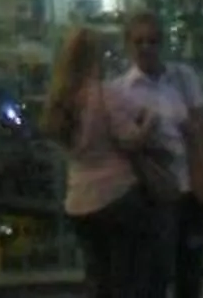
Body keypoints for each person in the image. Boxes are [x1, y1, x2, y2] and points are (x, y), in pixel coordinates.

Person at [118, 8, 203, 298]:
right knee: (156, 271)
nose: (146, 48)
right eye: (139, 42)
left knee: (190, 267)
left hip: (192, 186)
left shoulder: (182, 78)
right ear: (129, 45)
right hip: (155, 193)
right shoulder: (122, 91)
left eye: (152, 41)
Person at [43, 24, 146, 298]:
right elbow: (131, 140)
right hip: (116, 193)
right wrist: (150, 122)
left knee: (97, 274)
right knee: (124, 275)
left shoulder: (60, 100)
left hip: (79, 198)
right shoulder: (105, 95)